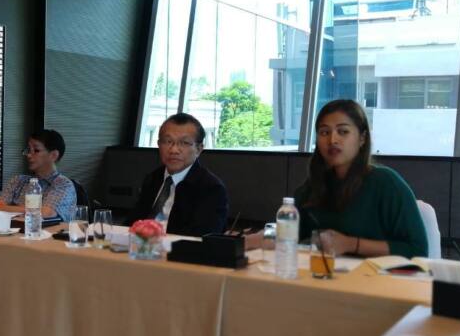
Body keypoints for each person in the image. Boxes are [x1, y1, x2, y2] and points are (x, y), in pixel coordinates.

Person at [249, 99, 428, 258]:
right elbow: (287, 232)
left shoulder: (386, 183)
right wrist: (249, 240)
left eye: (343, 131)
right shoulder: (314, 187)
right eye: (324, 132)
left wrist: (351, 244)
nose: (332, 140)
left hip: (377, 280)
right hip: (324, 277)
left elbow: (418, 249)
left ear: (362, 138)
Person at [127, 112, 229, 236]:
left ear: (199, 149)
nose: (174, 150)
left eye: (184, 143)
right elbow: (132, 223)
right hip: (140, 244)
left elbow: (201, 238)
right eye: (167, 141)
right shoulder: (152, 178)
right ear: (159, 144)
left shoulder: (212, 189)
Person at [0, 129, 76, 221]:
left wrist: (10, 209)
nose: (29, 155)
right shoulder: (18, 180)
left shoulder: (63, 184)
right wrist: (33, 210)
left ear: (53, 155)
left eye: (36, 150)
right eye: (28, 150)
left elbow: (46, 213)